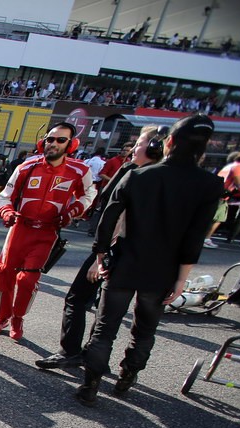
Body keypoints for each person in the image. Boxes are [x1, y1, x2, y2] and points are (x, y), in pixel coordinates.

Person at [74, 114, 224, 406]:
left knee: (105, 327)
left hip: (125, 261)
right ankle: (127, 377)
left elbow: (109, 216)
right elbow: (196, 236)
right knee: (144, 329)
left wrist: (101, 254)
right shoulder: (209, 185)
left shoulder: (139, 175)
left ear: (169, 142)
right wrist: (182, 278)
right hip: (164, 269)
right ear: (203, 149)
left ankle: (90, 384)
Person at [36, 125, 164, 370]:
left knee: (80, 300)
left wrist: (100, 258)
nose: (134, 148)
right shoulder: (152, 175)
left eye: (139, 143)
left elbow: (119, 217)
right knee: (108, 310)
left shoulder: (135, 175)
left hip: (117, 251)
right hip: (143, 258)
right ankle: (99, 360)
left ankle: (74, 354)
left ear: (154, 147)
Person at [0, 123, 95, 340]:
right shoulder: (26, 167)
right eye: (50, 139)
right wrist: (7, 212)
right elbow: (4, 196)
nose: (53, 144)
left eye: (60, 140)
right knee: (4, 273)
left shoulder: (79, 170)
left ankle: (18, 318)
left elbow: (88, 196)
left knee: (27, 280)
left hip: (47, 233)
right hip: (20, 229)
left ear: (71, 145)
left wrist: (72, 211)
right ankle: (3, 316)